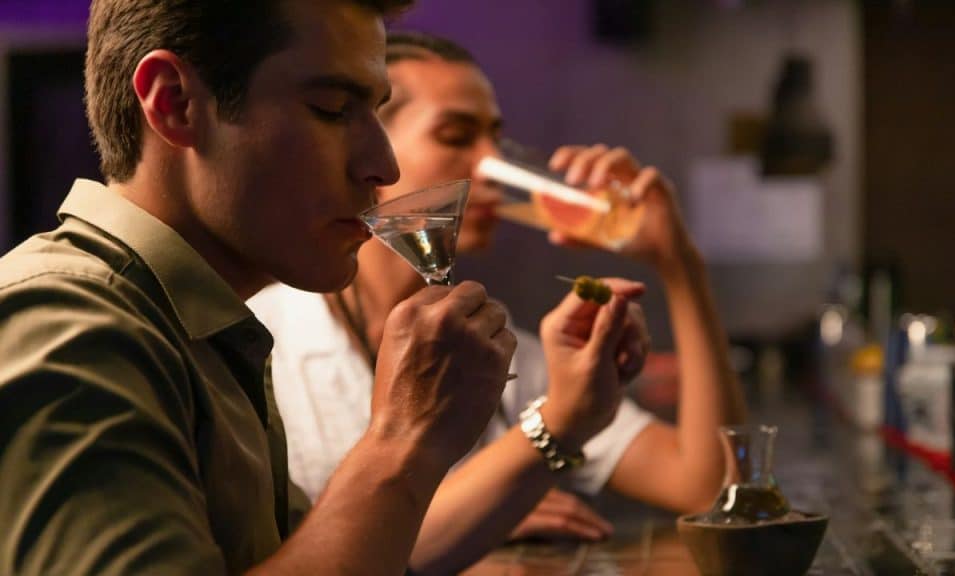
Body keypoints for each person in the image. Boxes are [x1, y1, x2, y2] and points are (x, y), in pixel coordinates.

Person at [0, 3, 644, 574]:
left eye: (376, 112)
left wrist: (558, 421)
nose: (383, 167)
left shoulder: (204, 332)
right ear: (174, 103)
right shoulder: (68, 326)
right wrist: (403, 440)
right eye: (332, 109)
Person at [249, 31, 748, 575]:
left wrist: (680, 265)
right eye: (456, 136)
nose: (490, 165)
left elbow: (712, 486)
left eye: (495, 139)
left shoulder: (494, 340)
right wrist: (491, 500)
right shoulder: (260, 341)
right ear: (374, 154)